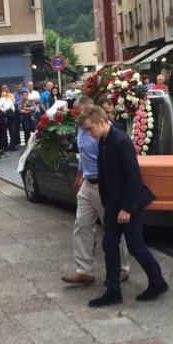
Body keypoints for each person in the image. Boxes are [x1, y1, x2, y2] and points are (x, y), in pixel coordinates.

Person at [79, 105, 168, 307]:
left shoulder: (120, 140)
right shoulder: (103, 140)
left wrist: (127, 208)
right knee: (109, 245)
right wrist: (107, 202)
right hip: (111, 203)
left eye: (89, 128)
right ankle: (113, 291)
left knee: (136, 246)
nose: (88, 133)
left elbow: (134, 178)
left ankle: (157, 281)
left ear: (101, 122)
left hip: (130, 203)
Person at [63, 96, 132, 286]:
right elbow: (83, 154)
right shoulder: (82, 126)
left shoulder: (108, 131)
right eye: (77, 114)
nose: (79, 117)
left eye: (82, 113)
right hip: (88, 182)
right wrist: (79, 173)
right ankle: (84, 270)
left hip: (105, 185)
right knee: (82, 224)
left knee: (112, 229)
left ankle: (122, 269)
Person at [0, 85, 16, 151]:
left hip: (11, 117)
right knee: (4, 132)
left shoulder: (10, 99)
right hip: (3, 117)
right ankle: (6, 146)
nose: (4, 93)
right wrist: (3, 108)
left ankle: (12, 146)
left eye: (5, 92)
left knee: (13, 132)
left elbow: (12, 107)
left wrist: (3, 108)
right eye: (2, 92)